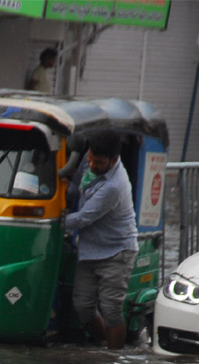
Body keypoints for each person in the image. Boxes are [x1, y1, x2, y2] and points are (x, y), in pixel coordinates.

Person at [63, 130, 138, 351]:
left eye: (99, 163)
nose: (92, 165)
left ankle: (112, 358)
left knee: (111, 309)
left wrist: (52, 221)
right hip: (90, 249)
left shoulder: (114, 185)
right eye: (90, 160)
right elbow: (74, 186)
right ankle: (100, 345)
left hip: (116, 252)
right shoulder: (89, 160)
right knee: (83, 305)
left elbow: (83, 218)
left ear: (114, 160)